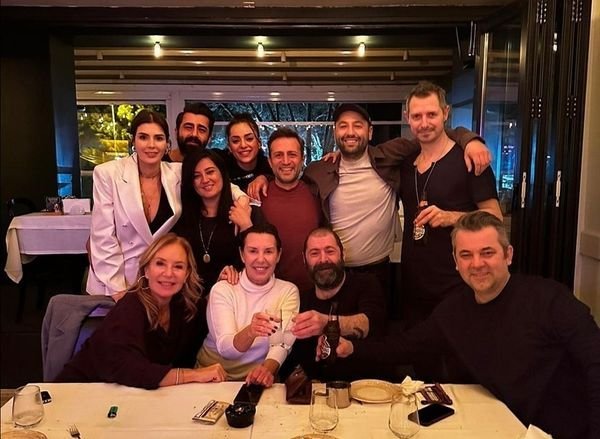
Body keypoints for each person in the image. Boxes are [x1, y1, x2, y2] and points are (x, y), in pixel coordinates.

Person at [328, 212, 600, 439]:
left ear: (508, 255)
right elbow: (406, 345)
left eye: (487, 253)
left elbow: (595, 361)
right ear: (456, 262)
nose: (477, 264)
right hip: (498, 426)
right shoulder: (454, 310)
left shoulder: (550, 299)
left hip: (559, 431)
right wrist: (353, 348)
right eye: (466, 255)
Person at [301, 103, 489, 316]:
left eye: (358, 125)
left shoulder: (389, 155)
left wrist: (470, 140)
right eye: (343, 126)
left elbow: (430, 133)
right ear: (335, 132)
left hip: (379, 271)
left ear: (370, 132)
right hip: (335, 272)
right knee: (333, 331)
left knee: (379, 331)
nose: (350, 132)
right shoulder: (318, 170)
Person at [57, 233, 226, 389]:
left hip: (132, 395)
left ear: (187, 274)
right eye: (160, 263)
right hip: (79, 392)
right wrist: (193, 375)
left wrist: (222, 289)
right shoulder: (130, 307)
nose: (168, 273)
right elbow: (129, 369)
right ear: (146, 270)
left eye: (178, 266)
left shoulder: (185, 307)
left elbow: (211, 326)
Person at [399, 81, 503, 323]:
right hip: (413, 288)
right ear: (407, 118)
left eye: (431, 114)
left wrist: (452, 217)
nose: (424, 123)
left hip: (457, 286)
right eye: (417, 116)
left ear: (445, 113)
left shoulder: (470, 161)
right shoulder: (406, 164)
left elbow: (495, 218)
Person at [86, 110, 182, 299]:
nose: (151, 145)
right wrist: (118, 290)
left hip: (159, 280)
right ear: (133, 141)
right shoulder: (108, 173)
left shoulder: (177, 173)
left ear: (167, 144)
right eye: (143, 137)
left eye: (159, 138)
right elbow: (103, 237)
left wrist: (242, 198)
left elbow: (219, 181)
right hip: (113, 280)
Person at [196, 223, 300, 387]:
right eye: (253, 251)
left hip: (256, 381)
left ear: (278, 255)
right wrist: (251, 331)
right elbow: (226, 350)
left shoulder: (288, 291)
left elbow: (282, 343)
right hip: (211, 378)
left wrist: (266, 370)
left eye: (268, 251)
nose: (261, 259)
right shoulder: (223, 289)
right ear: (242, 255)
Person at [283, 227, 386, 381]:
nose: (323, 259)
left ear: (342, 254)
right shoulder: (301, 300)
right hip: (316, 390)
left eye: (330, 251)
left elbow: (372, 323)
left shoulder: (367, 284)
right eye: (314, 253)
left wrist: (327, 324)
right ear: (304, 259)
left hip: (366, 386)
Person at [172, 149, 264, 291]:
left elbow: (262, 259)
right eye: (196, 176)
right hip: (192, 297)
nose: (205, 180)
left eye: (210, 172)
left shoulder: (247, 212)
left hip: (237, 294)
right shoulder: (181, 217)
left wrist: (246, 226)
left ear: (222, 173)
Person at [260, 127, 323, 293]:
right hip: (270, 294)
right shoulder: (256, 197)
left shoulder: (317, 192)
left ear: (302, 159)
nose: (286, 161)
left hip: (314, 291)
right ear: (269, 161)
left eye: (292, 154)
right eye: (278, 155)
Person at [220, 113, 273, 192]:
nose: (243, 145)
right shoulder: (220, 168)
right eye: (235, 141)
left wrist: (266, 177)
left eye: (249, 139)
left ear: (259, 143)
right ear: (229, 147)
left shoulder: (270, 167)